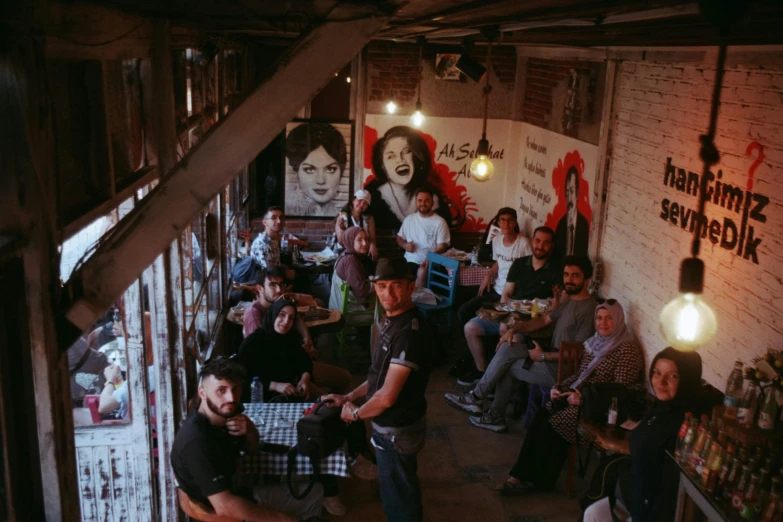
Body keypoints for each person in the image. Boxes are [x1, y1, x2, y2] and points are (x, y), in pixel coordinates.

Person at [321, 257, 434, 522]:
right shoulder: (392, 319)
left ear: (410, 287)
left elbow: (386, 396)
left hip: (397, 428)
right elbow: (379, 376)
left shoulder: (409, 333)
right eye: (382, 286)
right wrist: (349, 396)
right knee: (401, 485)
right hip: (392, 426)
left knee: (398, 498)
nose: (388, 293)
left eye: (396, 286)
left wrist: (356, 414)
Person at [493, 299, 644, 493]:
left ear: (619, 320)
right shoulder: (596, 342)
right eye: (599, 318)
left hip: (602, 412)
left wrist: (583, 399)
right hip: (578, 398)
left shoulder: (627, 350)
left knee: (553, 424)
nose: (602, 323)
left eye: (609, 319)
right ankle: (518, 476)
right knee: (541, 416)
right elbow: (581, 374)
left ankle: (541, 481)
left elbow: (621, 392)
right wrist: (561, 386)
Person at [446, 255, 596, 433]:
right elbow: (544, 320)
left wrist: (542, 356)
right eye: (566, 274)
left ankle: (490, 411)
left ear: (587, 280)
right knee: (508, 347)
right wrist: (515, 329)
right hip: (549, 356)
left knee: (507, 366)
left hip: (562, 369)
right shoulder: (569, 299)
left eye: (575, 276)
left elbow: (579, 353)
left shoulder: (587, 308)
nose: (569, 280)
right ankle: (479, 399)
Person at [170, 358, 325, 522]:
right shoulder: (197, 442)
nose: (231, 398)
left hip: (239, 488)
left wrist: (250, 430)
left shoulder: (227, 413)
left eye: (235, 389)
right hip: (226, 510)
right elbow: (225, 507)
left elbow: (251, 449)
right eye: (221, 390)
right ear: (202, 393)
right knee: (313, 495)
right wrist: (282, 519)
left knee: (312, 488)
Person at [582, 347, 705, 522]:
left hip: (657, 509)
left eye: (672, 376)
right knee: (593, 513)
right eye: (657, 373)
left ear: (687, 380)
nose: (660, 382)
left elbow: (668, 481)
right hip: (635, 493)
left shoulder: (687, 424)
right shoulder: (660, 409)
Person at [455, 226, 561, 387]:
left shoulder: (556, 269)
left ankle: (498, 383)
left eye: (546, 243)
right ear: (532, 241)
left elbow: (555, 304)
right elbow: (507, 292)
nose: (540, 246)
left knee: (511, 338)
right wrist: (504, 313)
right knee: (470, 327)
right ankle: (482, 372)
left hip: (533, 322)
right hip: (510, 313)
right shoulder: (520, 264)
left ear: (552, 245)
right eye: (538, 241)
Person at [243, 267, 351, 397]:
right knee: (326, 402)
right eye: (272, 285)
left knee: (345, 378)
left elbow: (297, 319)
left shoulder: (278, 304)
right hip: (279, 377)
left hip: (292, 365)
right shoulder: (255, 318)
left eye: (281, 285)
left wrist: (307, 340)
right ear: (259, 288)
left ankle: (326, 401)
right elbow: (263, 358)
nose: (279, 290)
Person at [455, 211, 534, 386]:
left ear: (515, 223)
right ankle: (472, 361)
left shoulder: (523, 243)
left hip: (512, 296)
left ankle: (484, 366)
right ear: (498, 222)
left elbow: (530, 269)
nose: (506, 224)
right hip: (496, 290)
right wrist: (488, 274)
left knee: (495, 324)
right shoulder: (497, 240)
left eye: (510, 220)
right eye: (502, 220)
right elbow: (499, 261)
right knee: (463, 311)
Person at [365, 125, 451, 230]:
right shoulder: (371, 198)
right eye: (391, 156)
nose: (400, 159)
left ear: (416, 157)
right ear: (382, 165)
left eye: (406, 152)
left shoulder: (434, 199)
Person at [238, 299, 318, 402]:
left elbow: (305, 361)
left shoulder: (288, 338)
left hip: (291, 392)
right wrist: (274, 385)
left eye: (291, 318)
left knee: (326, 401)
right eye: (281, 315)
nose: (286, 322)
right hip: (261, 400)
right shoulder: (252, 343)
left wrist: (304, 380)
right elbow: (242, 380)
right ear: (273, 314)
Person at [285, 123, 348, 217]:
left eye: (331, 169)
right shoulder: (287, 211)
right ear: (296, 171)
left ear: (341, 171)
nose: (321, 181)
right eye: (309, 169)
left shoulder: (342, 216)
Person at [395, 188, 450, 284]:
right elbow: (399, 238)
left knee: (422, 271)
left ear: (432, 202)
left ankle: (419, 297)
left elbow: (442, 247)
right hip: (410, 261)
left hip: (431, 262)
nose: (423, 203)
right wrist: (405, 245)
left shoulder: (440, 222)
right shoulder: (409, 219)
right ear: (416, 202)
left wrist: (430, 257)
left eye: (427, 200)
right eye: (420, 200)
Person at [329, 226, 374, 311]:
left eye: (366, 239)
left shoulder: (345, 254)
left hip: (341, 307)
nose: (365, 243)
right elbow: (362, 290)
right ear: (350, 240)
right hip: (346, 312)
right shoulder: (350, 260)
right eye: (359, 240)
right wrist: (376, 282)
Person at [555, 166, 589, 261]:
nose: (569, 198)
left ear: (577, 193)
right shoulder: (561, 225)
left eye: (572, 191)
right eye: (567, 192)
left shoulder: (584, 225)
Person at [334, 189, 379, 261]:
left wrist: (373, 245)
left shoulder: (369, 218)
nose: (362, 205)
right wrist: (343, 229)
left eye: (365, 203)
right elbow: (342, 242)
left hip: (363, 251)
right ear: (353, 200)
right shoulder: (343, 217)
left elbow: (372, 237)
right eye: (360, 200)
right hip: (345, 252)